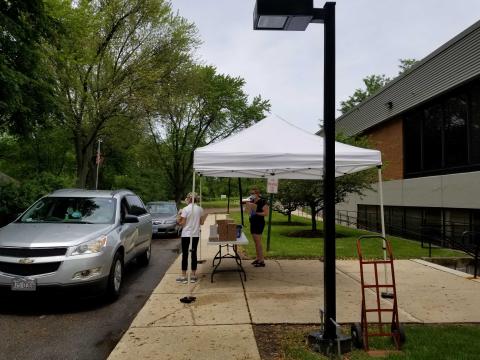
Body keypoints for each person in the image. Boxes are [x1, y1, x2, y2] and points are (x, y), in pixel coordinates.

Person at [176, 192, 205, 284]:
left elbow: (182, 223)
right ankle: (193, 275)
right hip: (195, 234)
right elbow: (201, 222)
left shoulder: (185, 209)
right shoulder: (200, 209)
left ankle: (184, 276)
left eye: (187, 198)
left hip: (186, 234)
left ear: (189, 199)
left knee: (185, 254)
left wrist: (179, 215)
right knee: (194, 253)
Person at [247, 186, 268, 267]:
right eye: (251, 193)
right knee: (255, 242)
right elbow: (250, 211)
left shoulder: (262, 201)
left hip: (259, 223)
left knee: (258, 242)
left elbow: (265, 213)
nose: (251, 195)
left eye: (253, 193)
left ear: (257, 194)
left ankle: (261, 261)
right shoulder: (252, 201)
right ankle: (258, 258)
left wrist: (256, 213)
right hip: (253, 223)